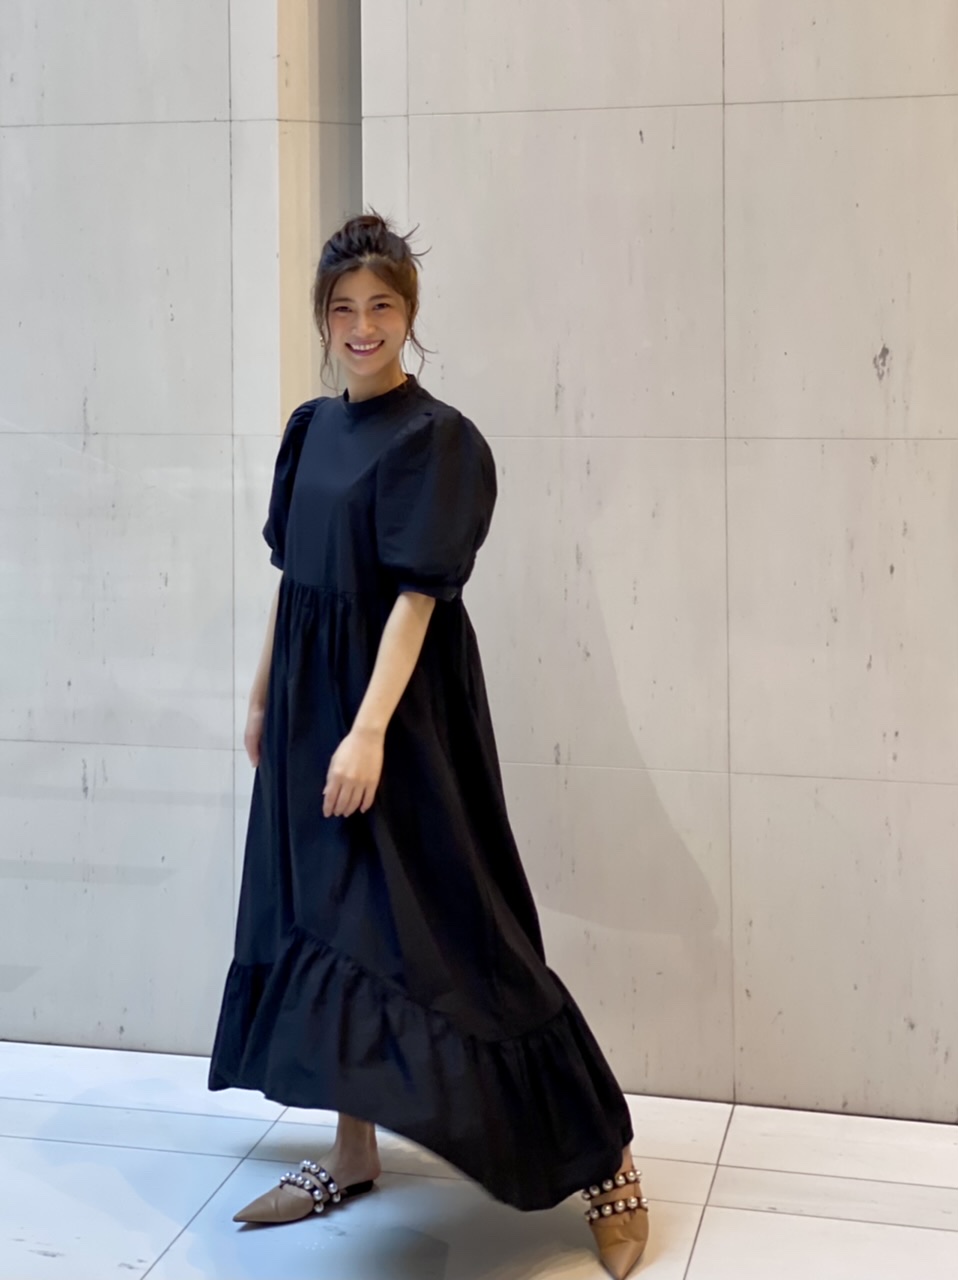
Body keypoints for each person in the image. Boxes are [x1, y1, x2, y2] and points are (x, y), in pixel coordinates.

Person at [207, 213, 650, 1278]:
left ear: (410, 313)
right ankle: (352, 1150)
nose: (362, 326)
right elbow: (293, 576)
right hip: (311, 711)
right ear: (322, 319)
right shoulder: (309, 429)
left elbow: (417, 597)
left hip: (398, 719)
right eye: (343, 309)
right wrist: (264, 695)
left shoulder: (437, 439)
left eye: (382, 305)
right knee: (331, 926)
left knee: (462, 935)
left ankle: (605, 1158)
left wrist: (366, 730)